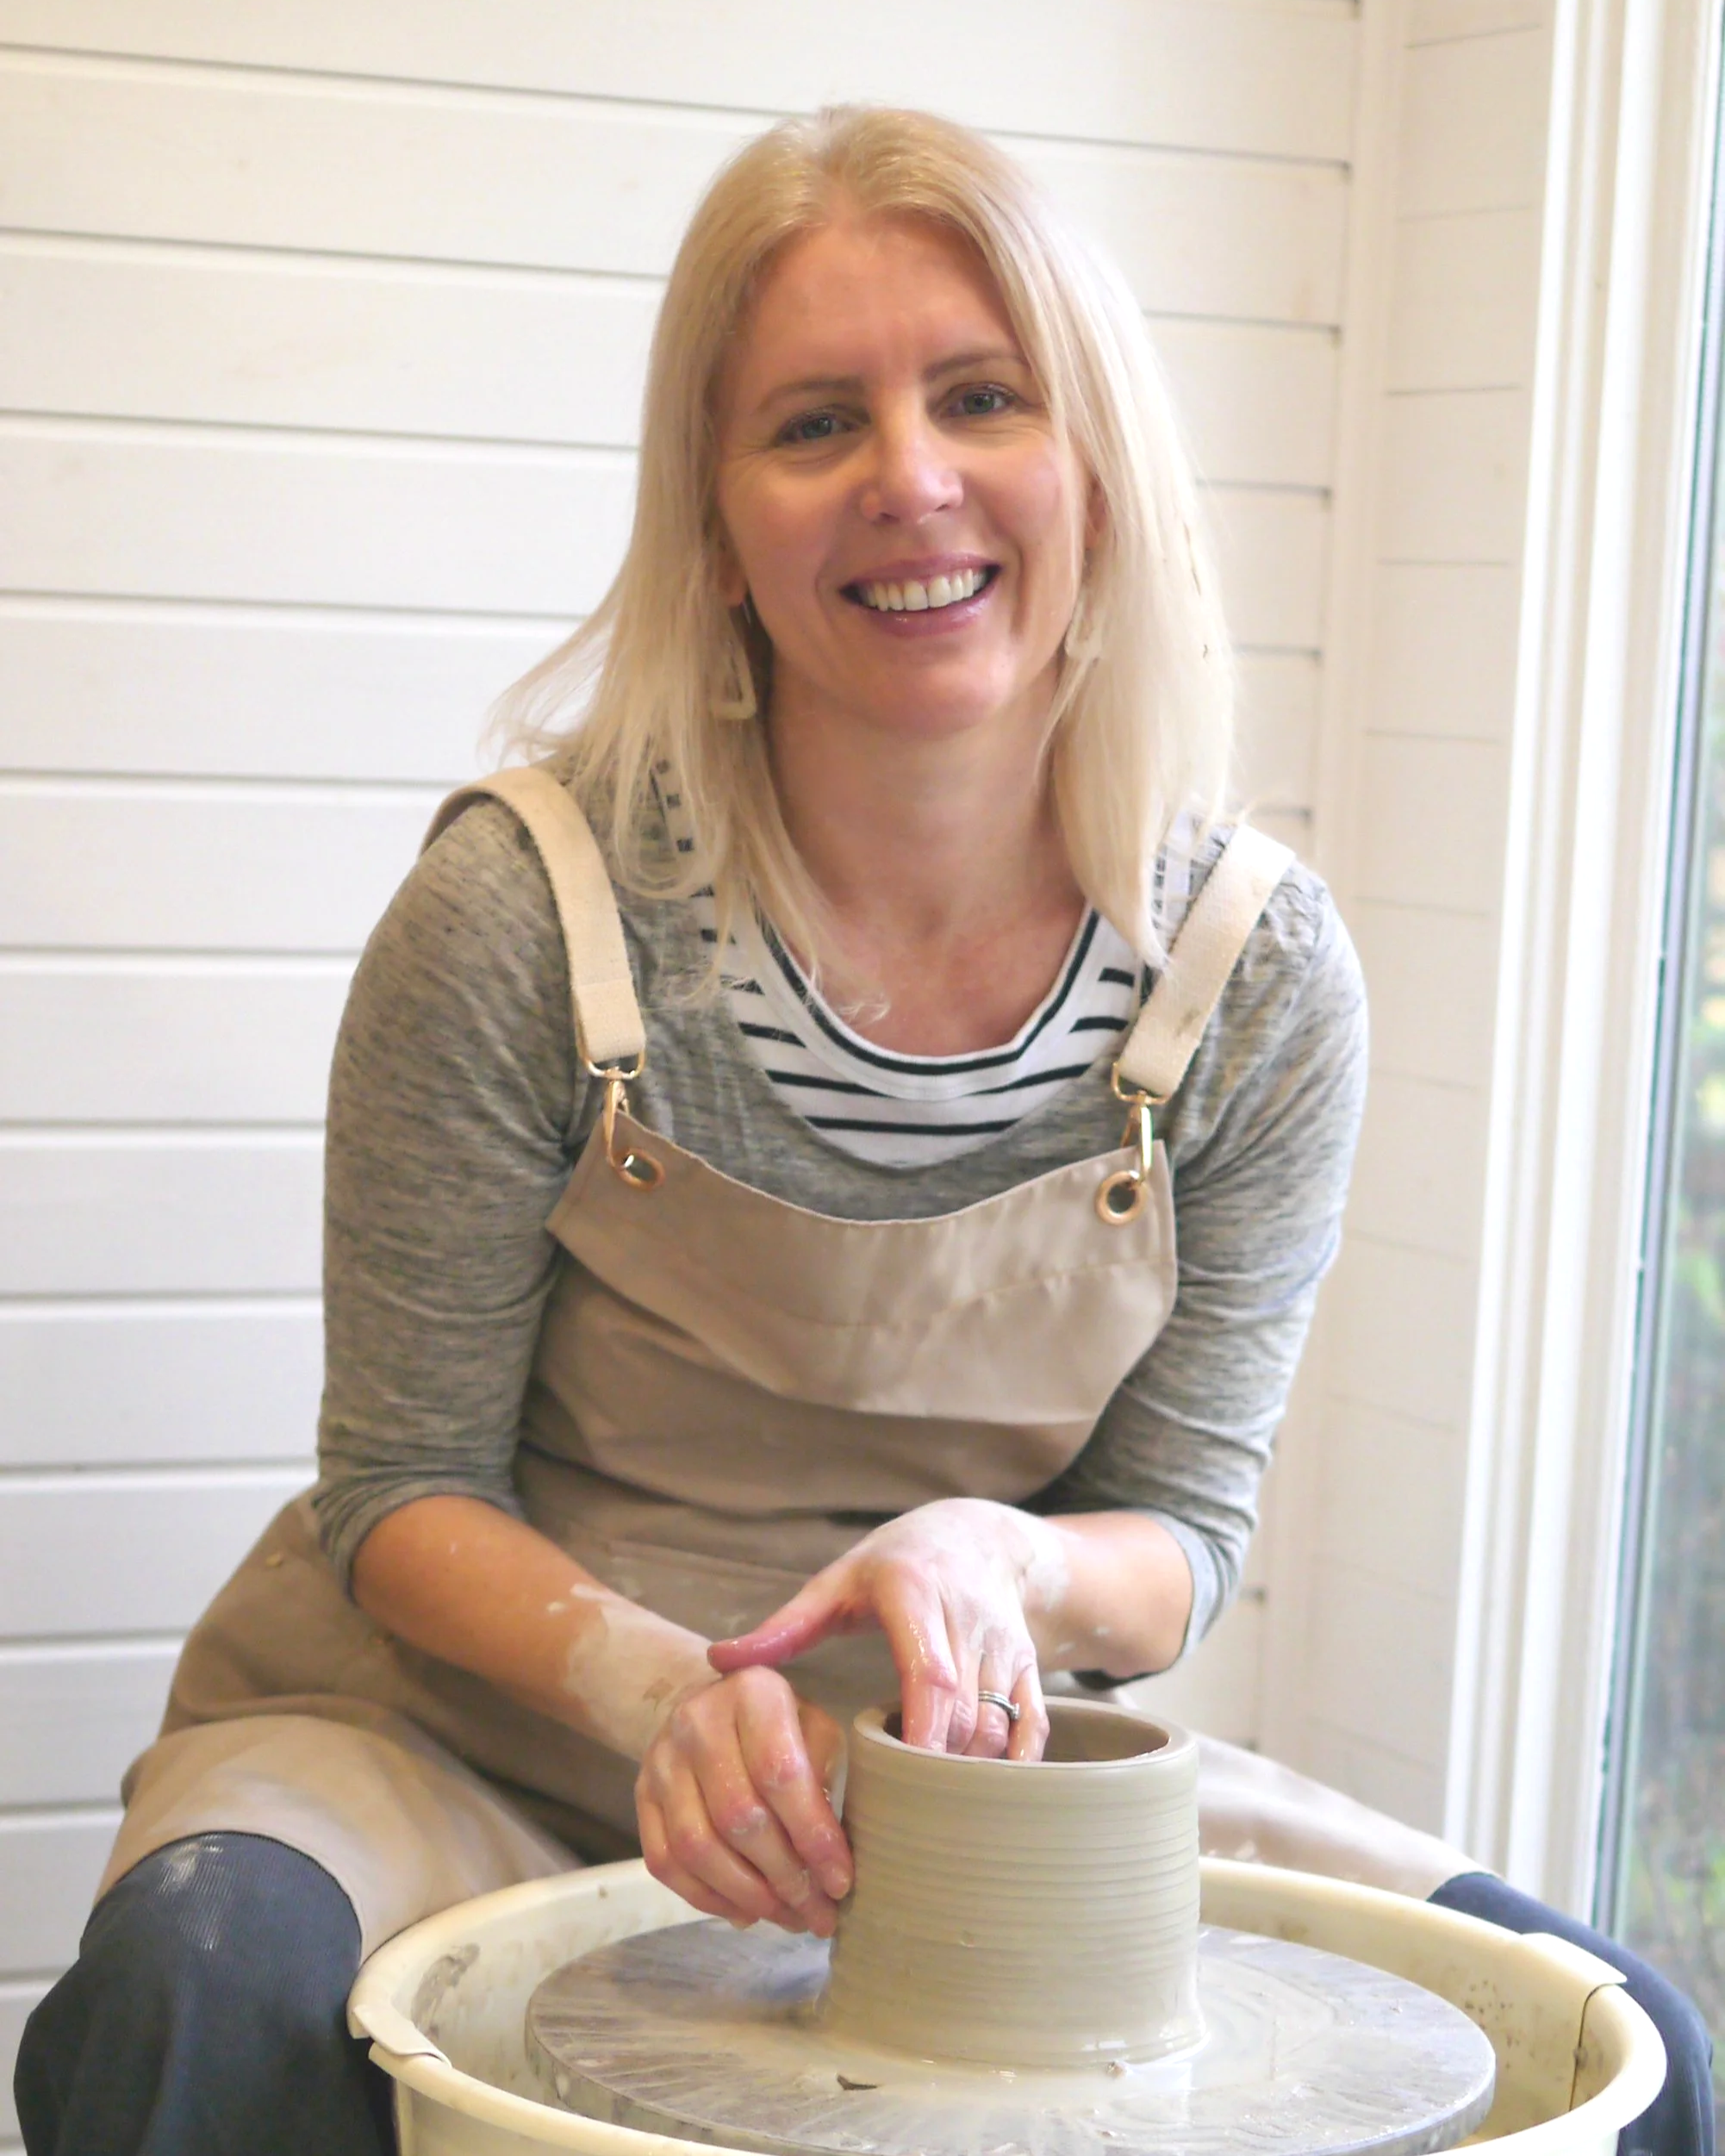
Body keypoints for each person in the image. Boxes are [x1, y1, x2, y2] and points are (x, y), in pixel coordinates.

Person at [16, 106, 1711, 2156]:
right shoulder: (523, 915)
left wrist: (995, 1557)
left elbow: (1172, 1543)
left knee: (1617, 2052)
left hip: (957, 1771)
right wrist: (663, 1692)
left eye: (979, 397)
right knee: (199, 1999)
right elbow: (398, 1495)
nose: (907, 479)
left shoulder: (1249, 981)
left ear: (1089, 464)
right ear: (717, 525)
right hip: (459, 1728)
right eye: (813, 422)